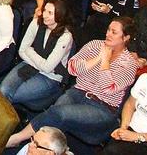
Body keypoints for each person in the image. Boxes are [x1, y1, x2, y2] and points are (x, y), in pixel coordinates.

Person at [7, 18, 139, 149]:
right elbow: (72, 68)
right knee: (55, 120)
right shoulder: (95, 45)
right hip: (77, 93)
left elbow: (108, 88)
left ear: (126, 37)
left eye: (114, 32)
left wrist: (105, 61)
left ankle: (19, 138)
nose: (108, 33)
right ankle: (44, 148)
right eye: (108, 29)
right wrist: (98, 58)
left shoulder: (129, 64)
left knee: (58, 114)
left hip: (102, 107)